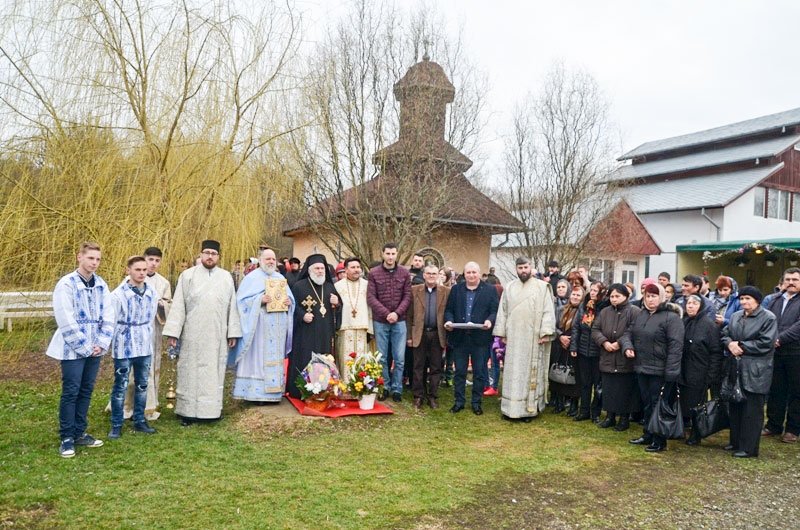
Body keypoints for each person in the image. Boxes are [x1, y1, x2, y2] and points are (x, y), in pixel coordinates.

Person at [46, 242, 115, 458]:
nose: (94, 263)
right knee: (71, 390)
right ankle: (66, 436)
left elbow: (109, 315)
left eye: (97, 259)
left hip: (96, 347)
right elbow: (65, 317)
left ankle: (79, 432)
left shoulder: (102, 285)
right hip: (73, 348)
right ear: (80, 257)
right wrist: (84, 346)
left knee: (86, 390)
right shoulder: (66, 284)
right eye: (90, 258)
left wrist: (102, 343)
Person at [163, 240, 242, 425]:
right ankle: (187, 412)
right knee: (189, 372)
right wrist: (174, 332)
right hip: (192, 333)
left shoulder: (225, 277)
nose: (209, 256)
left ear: (218, 257)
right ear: (200, 254)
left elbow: (233, 306)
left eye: (213, 254)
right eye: (206, 253)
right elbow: (179, 305)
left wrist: (232, 332)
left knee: (212, 373)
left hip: (217, 334)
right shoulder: (187, 276)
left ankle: (211, 411)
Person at [493, 257, 555, 421]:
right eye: (520, 267)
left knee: (529, 373)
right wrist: (502, 334)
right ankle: (510, 409)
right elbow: (503, 311)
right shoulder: (510, 287)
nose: (523, 270)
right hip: (513, 337)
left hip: (532, 339)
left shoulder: (542, 287)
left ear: (531, 267)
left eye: (525, 267)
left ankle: (529, 410)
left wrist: (545, 332)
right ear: (516, 269)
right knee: (513, 373)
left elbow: (548, 311)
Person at [230, 248, 294, 403]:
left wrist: (289, 302)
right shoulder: (251, 278)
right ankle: (253, 394)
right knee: (257, 358)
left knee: (275, 359)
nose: (271, 261)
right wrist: (260, 300)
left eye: (273, 259)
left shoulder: (280, 278)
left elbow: (290, 300)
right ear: (260, 260)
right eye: (267, 259)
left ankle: (274, 393)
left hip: (277, 328)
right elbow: (241, 303)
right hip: (258, 328)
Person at [721, 286, 778, 458]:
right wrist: (730, 343)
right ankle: (736, 441)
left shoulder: (768, 318)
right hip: (736, 366)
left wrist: (741, 346)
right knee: (736, 405)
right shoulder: (736, 316)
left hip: (756, 369)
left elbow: (766, 343)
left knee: (752, 410)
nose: (744, 302)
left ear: (757, 300)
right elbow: (725, 333)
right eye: (742, 298)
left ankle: (749, 448)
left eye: (748, 299)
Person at [626, 283, 684, 452]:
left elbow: (676, 346)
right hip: (642, 367)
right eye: (648, 296)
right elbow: (628, 333)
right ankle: (648, 434)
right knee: (647, 403)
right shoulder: (641, 315)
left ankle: (660, 439)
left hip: (661, 370)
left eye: (654, 296)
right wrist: (627, 346)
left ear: (662, 297)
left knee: (658, 404)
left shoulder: (671, 318)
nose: (651, 300)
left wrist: (671, 372)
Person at [109, 256, 159, 439]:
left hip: (144, 344)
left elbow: (152, 314)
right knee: (121, 385)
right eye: (137, 270)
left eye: (144, 270)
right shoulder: (118, 295)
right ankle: (116, 423)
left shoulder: (151, 292)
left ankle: (139, 419)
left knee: (142, 384)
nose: (141, 273)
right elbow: (112, 319)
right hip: (124, 343)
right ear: (128, 270)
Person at [122, 246, 171, 421]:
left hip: (153, 331)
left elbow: (168, 305)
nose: (153, 264)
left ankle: (148, 406)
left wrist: (160, 304)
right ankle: (127, 406)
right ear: (144, 259)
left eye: (157, 261)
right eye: (150, 260)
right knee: (130, 370)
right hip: (133, 330)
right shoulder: (129, 279)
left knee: (149, 368)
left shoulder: (164, 283)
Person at [445, 262, 499, 416]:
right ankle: (459, 402)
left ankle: (476, 403)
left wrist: (490, 320)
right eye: (468, 272)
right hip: (460, 338)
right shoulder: (456, 290)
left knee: (479, 373)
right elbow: (449, 310)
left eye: (474, 272)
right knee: (460, 371)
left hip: (480, 338)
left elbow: (494, 310)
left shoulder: (489, 290)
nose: (471, 275)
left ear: (479, 273)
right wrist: (449, 321)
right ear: (464, 274)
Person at [286, 254, 341, 399]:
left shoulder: (329, 286)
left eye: (322, 268)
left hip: (325, 331)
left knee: (324, 358)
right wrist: (302, 315)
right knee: (305, 358)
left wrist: (337, 303)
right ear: (309, 270)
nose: (320, 271)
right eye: (317, 268)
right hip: (305, 333)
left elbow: (338, 309)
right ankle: (302, 390)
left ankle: (323, 389)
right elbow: (292, 305)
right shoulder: (299, 286)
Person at [592, 284, 640, 432]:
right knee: (609, 389)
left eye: (617, 296)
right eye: (612, 296)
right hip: (607, 355)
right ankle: (610, 417)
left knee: (624, 390)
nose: (614, 299)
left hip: (624, 357)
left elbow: (634, 330)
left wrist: (619, 344)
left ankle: (624, 419)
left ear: (626, 296)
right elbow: (595, 329)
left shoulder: (634, 311)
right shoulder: (605, 312)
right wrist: (604, 342)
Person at [367, 243, 412, 402]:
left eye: (393, 254)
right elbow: (371, 297)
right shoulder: (374, 273)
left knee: (399, 357)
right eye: (388, 253)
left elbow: (408, 296)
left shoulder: (404, 273)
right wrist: (387, 314)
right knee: (382, 357)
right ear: (383, 254)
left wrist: (397, 313)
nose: (391, 257)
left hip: (400, 321)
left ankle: (397, 388)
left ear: (397, 254)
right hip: (381, 321)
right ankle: (384, 386)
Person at [763, 267, 800, 443]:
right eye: (788, 279)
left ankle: (793, 429)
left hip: (796, 352)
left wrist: (779, 339)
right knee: (776, 390)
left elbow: (798, 327)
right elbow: (766, 320)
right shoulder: (774, 300)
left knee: (796, 392)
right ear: (783, 281)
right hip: (775, 352)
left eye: (795, 279)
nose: (791, 282)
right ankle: (773, 425)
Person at [406, 264, 450, 409]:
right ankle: (418, 396)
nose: (431, 276)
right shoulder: (414, 291)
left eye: (434, 273)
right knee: (418, 366)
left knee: (436, 366)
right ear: (424, 275)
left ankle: (433, 396)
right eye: (429, 273)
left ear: (438, 275)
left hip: (437, 334)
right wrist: (409, 336)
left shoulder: (446, 292)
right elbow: (409, 315)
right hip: (420, 333)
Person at [680, 294, 722, 445]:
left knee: (697, 403)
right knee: (684, 401)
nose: (690, 306)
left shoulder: (709, 325)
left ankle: (696, 433)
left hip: (700, 371)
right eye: (688, 303)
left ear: (702, 306)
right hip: (683, 369)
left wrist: (711, 375)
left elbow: (716, 352)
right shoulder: (684, 321)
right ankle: (684, 427)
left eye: (694, 303)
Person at [570, 281, 605, 422]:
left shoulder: (604, 308)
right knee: (585, 383)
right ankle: (583, 410)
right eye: (591, 289)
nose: (592, 292)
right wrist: (574, 347)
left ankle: (595, 412)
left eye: (596, 290)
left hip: (598, 352)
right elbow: (576, 327)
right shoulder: (584, 306)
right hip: (583, 350)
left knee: (597, 384)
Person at [334, 257, 372, 382]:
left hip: (363, 328)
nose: (356, 270)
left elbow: (371, 307)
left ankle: (361, 388)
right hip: (345, 328)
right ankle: (344, 388)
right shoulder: (337, 286)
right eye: (353, 267)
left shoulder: (368, 285)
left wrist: (371, 328)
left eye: (358, 267)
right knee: (345, 359)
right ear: (346, 269)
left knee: (362, 359)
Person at [551, 286, 584, 415]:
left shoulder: (584, 312)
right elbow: (553, 325)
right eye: (573, 294)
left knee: (574, 376)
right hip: (560, 345)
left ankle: (574, 404)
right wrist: (561, 337)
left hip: (575, 347)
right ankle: (559, 403)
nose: (575, 297)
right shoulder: (561, 309)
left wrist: (572, 341)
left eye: (578, 295)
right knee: (558, 373)